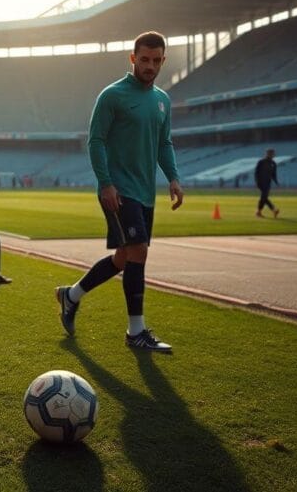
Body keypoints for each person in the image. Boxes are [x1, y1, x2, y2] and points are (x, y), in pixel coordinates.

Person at [54, 31, 183, 353]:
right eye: (144, 60)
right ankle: (135, 332)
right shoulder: (112, 95)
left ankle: (71, 296)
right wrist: (105, 182)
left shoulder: (162, 101)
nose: (150, 66)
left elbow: (164, 143)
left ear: (163, 60)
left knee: (125, 257)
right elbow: (95, 140)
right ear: (132, 58)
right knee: (139, 251)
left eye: (156, 61)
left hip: (145, 191)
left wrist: (174, 178)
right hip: (119, 189)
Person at [254, 148, 280, 218]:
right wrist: (257, 181)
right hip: (261, 182)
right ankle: (274, 209)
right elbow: (256, 172)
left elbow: (274, 174)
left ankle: (259, 212)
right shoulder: (261, 162)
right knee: (264, 196)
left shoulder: (273, 163)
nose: (273, 155)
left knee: (264, 197)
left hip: (268, 182)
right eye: (271, 153)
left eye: (273, 153)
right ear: (267, 154)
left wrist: (276, 181)